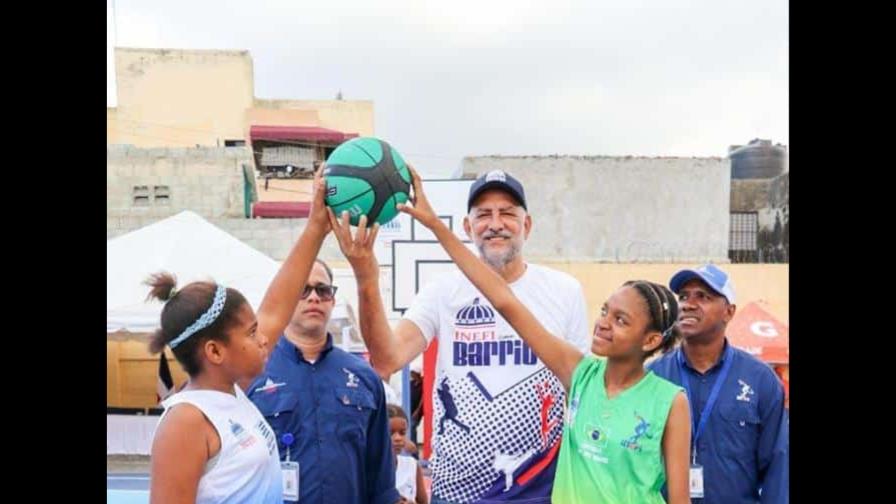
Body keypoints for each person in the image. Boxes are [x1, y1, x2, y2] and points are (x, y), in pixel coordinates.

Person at [396, 168, 692, 504]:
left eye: (620, 320)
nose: (604, 323)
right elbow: (505, 301)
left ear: (651, 340)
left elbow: (678, 497)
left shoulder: (668, 400)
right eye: (605, 311)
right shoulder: (579, 375)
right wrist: (436, 225)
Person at [328, 167, 591, 503]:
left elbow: (581, 394)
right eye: (483, 215)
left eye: (507, 213)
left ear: (527, 225)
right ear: (468, 227)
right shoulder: (442, 291)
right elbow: (387, 359)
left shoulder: (564, 291)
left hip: (539, 488)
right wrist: (366, 279)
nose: (495, 223)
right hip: (459, 490)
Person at [247, 166, 400, 504]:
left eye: (322, 290)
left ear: (332, 299)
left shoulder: (363, 379)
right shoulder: (252, 373)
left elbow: (381, 479)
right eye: (302, 290)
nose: (314, 297)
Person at [648, 264, 789, 503]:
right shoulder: (653, 377)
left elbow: (778, 465)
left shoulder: (761, 380)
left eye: (703, 296)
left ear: (729, 312)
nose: (687, 304)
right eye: (683, 296)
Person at [145, 273, 281, 504]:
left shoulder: (232, 392)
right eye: (252, 332)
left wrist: (315, 235)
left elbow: (278, 308)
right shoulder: (186, 421)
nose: (264, 339)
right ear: (215, 352)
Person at [388, 404, 429, 504]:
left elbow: (423, 501)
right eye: (390, 433)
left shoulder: (412, 465)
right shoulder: (369, 470)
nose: (398, 438)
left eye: (402, 433)